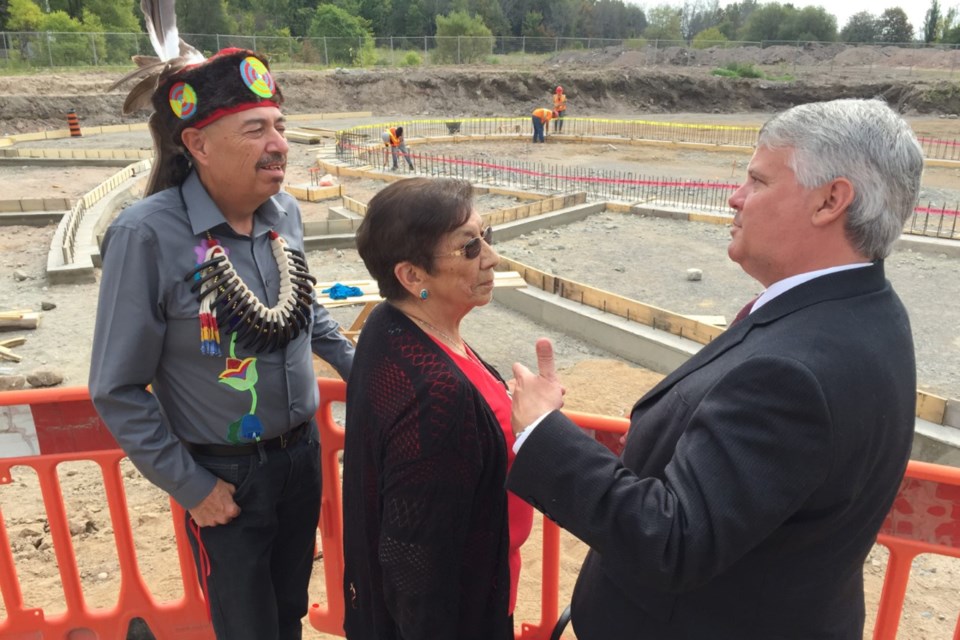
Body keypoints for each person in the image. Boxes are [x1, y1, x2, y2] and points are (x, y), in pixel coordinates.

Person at [506, 98, 923, 639]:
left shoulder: (792, 372)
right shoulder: (867, 312)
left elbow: (672, 541)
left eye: (757, 180)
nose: (736, 197)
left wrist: (542, 432)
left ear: (830, 200)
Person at [89, 46, 355, 639]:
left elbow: (302, 308)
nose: (280, 144)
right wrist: (193, 487)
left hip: (300, 459)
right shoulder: (146, 236)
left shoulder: (283, 212)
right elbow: (117, 387)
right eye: (256, 129)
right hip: (223, 476)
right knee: (245, 627)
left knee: (289, 613)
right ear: (199, 145)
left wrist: (364, 370)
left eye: (280, 127)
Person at [341, 177, 531, 640]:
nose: (491, 257)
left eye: (487, 237)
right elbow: (414, 565)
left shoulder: (391, 324)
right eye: (469, 248)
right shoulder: (437, 396)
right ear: (413, 276)